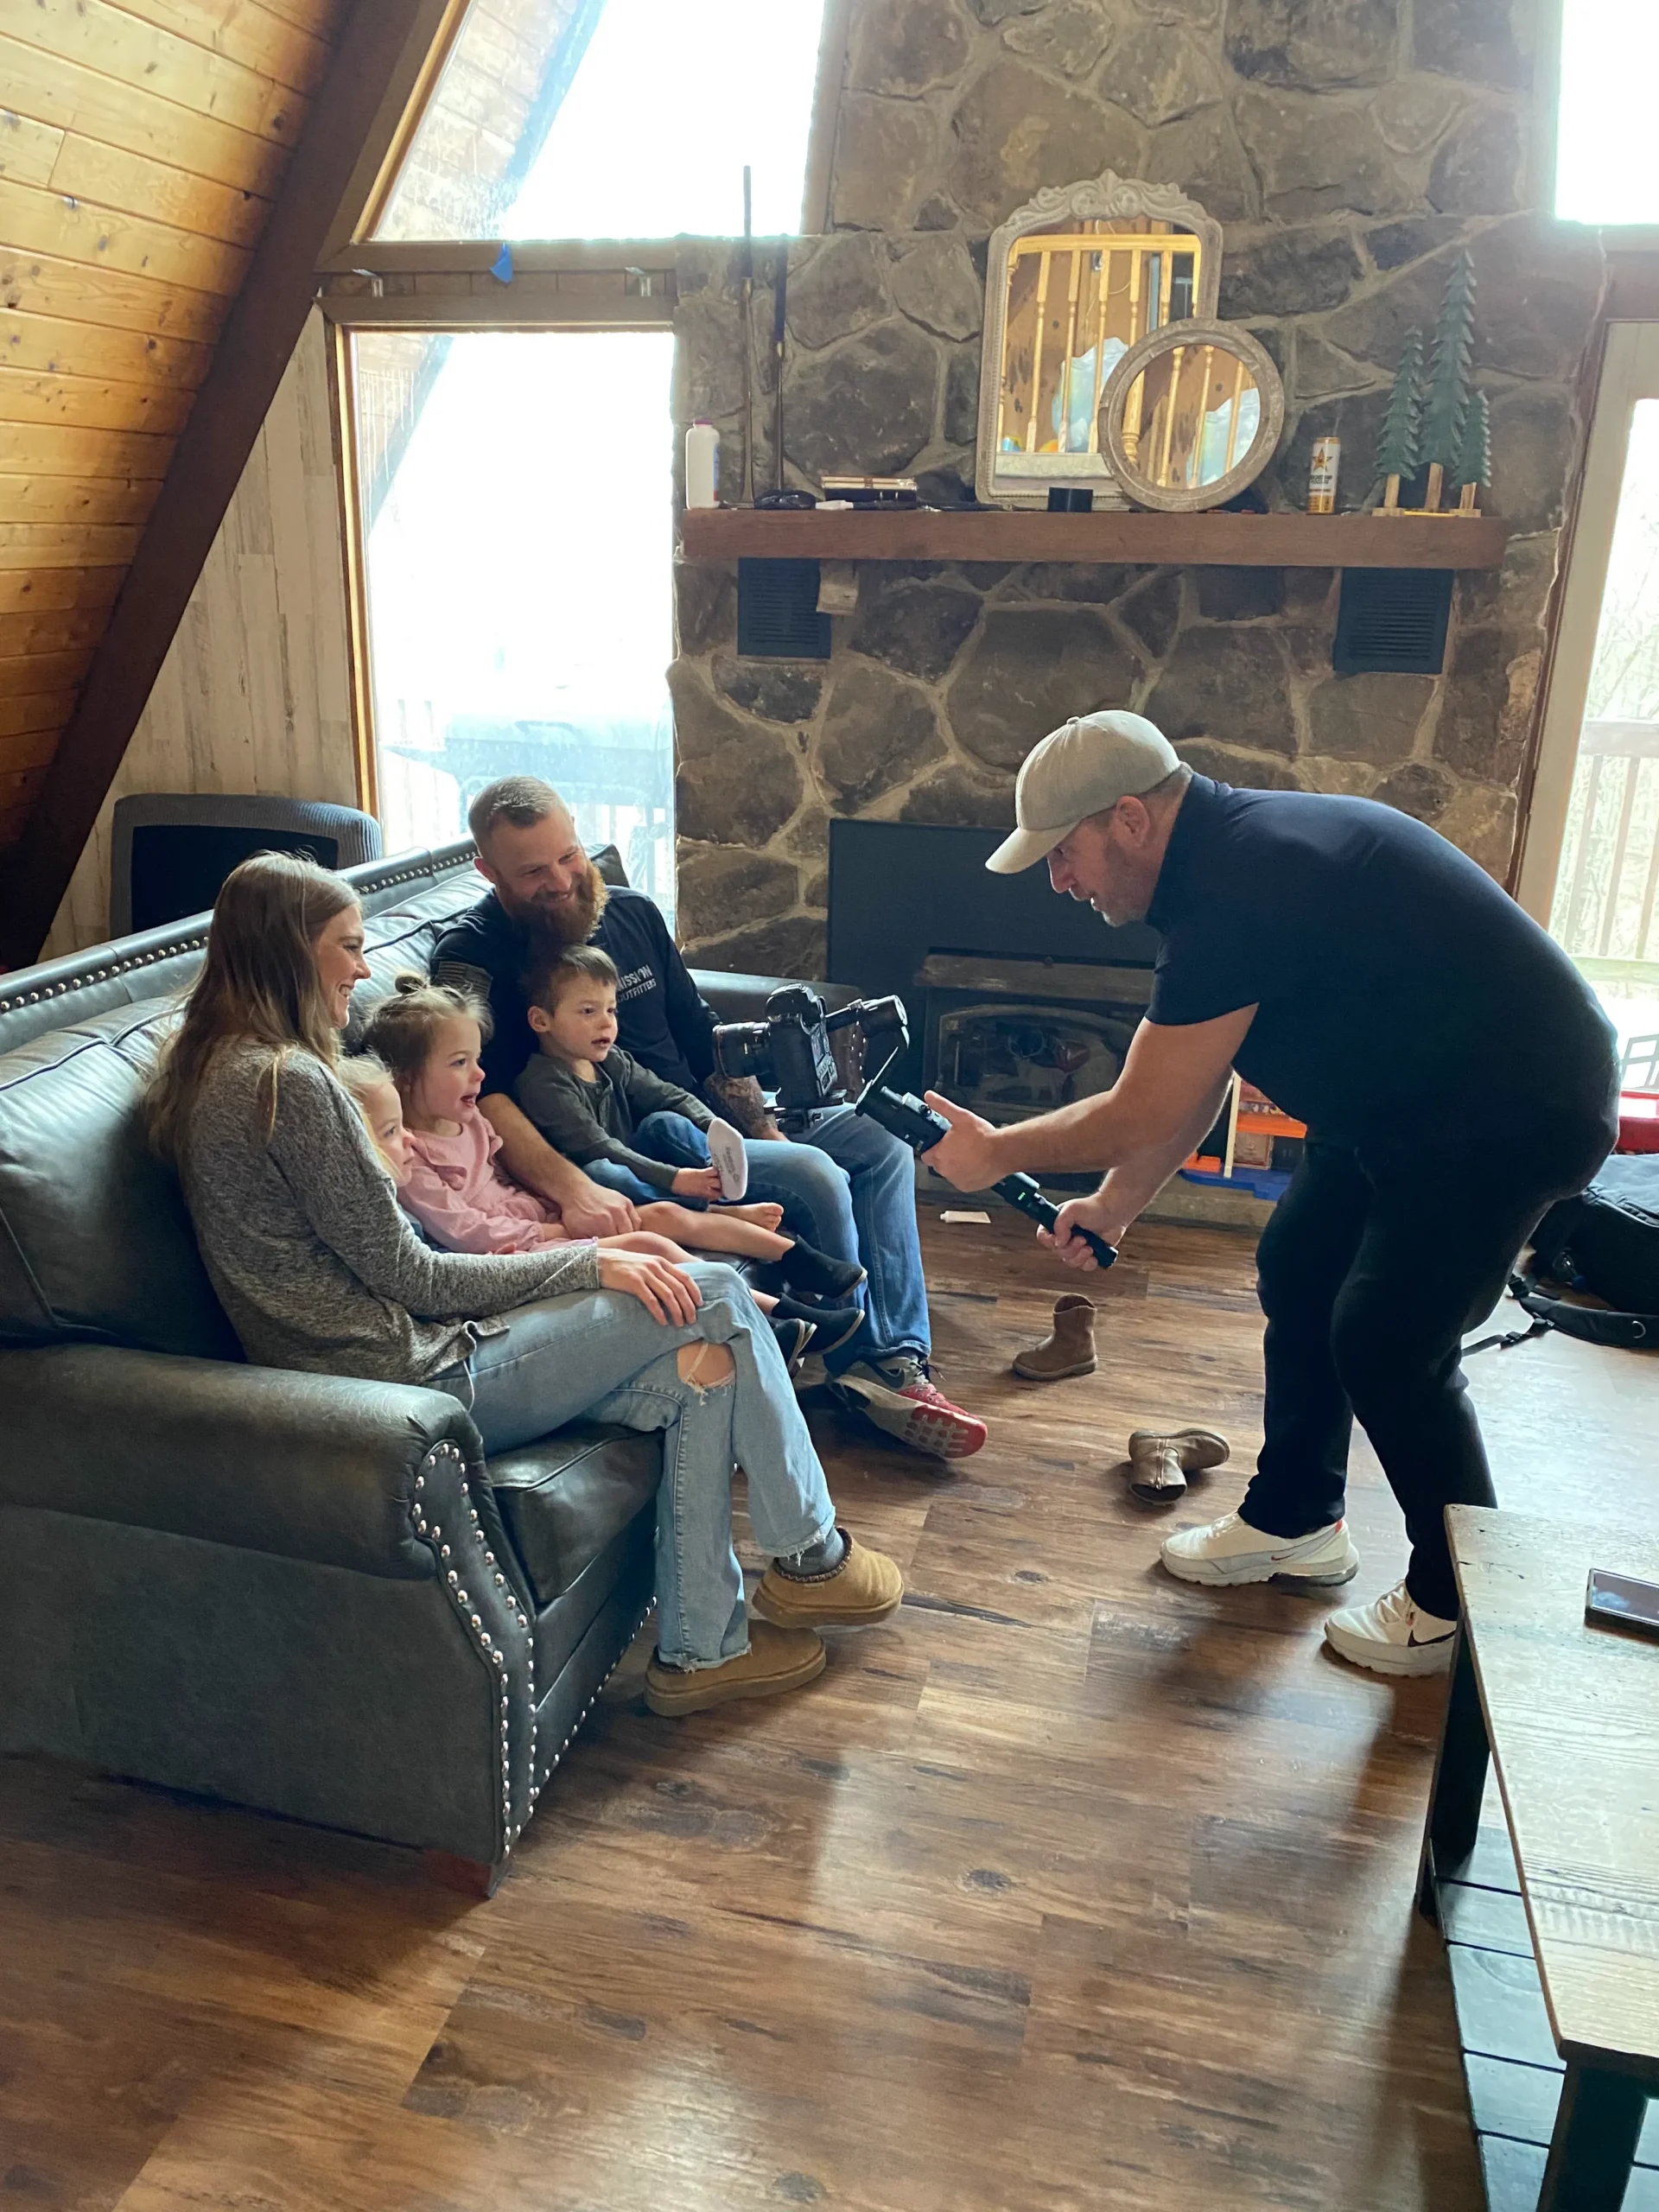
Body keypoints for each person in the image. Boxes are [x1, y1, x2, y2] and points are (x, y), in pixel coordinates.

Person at [921, 710, 1618, 1678]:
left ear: (1128, 818)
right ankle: (1297, 1520)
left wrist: (996, 1151)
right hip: (1402, 1096)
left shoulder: (1239, 886)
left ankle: (1461, 1604)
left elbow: (1142, 1103)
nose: (1060, 880)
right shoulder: (1225, 864)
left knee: (1386, 1337)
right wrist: (1118, 1203)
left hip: (1510, 1105)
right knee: (1300, 1266)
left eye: (1065, 852)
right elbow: (1195, 1078)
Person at [145, 851, 904, 1716]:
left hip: (376, 1362)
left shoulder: (219, 1067)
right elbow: (411, 1273)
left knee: (704, 1371)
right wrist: (591, 1260)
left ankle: (702, 1650)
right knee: (718, 1295)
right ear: (286, 951)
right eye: (347, 947)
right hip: (402, 1374)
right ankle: (812, 1556)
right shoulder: (289, 1084)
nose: (361, 968)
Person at [431, 776, 987, 1461]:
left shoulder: (632, 914)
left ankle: (895, 1352)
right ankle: (870, 1367)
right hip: (634, 1150)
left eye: (569, 856)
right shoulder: (473, 957)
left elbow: (704, 1041)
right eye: (533, 872)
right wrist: (574, 1190)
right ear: (486, 871)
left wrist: (763, 1131)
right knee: (815, 1175)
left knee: (876, 1145)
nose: (561, 881)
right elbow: (478, 1092)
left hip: (705, 1121)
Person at [361, 970, 867, 1356]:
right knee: (649, 1240)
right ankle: (773, 1319)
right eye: (459, 1064)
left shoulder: (469, 1120)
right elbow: (467, 1234)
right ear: (405, 1078)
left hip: (536, 1223)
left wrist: (557, 1202)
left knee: (664, 1216)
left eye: (475, 1059)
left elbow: (509, 1176)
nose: (479, 1074)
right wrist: (554, 1227)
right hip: (511, 1257)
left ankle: (800, 1261)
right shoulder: (411, 1156)